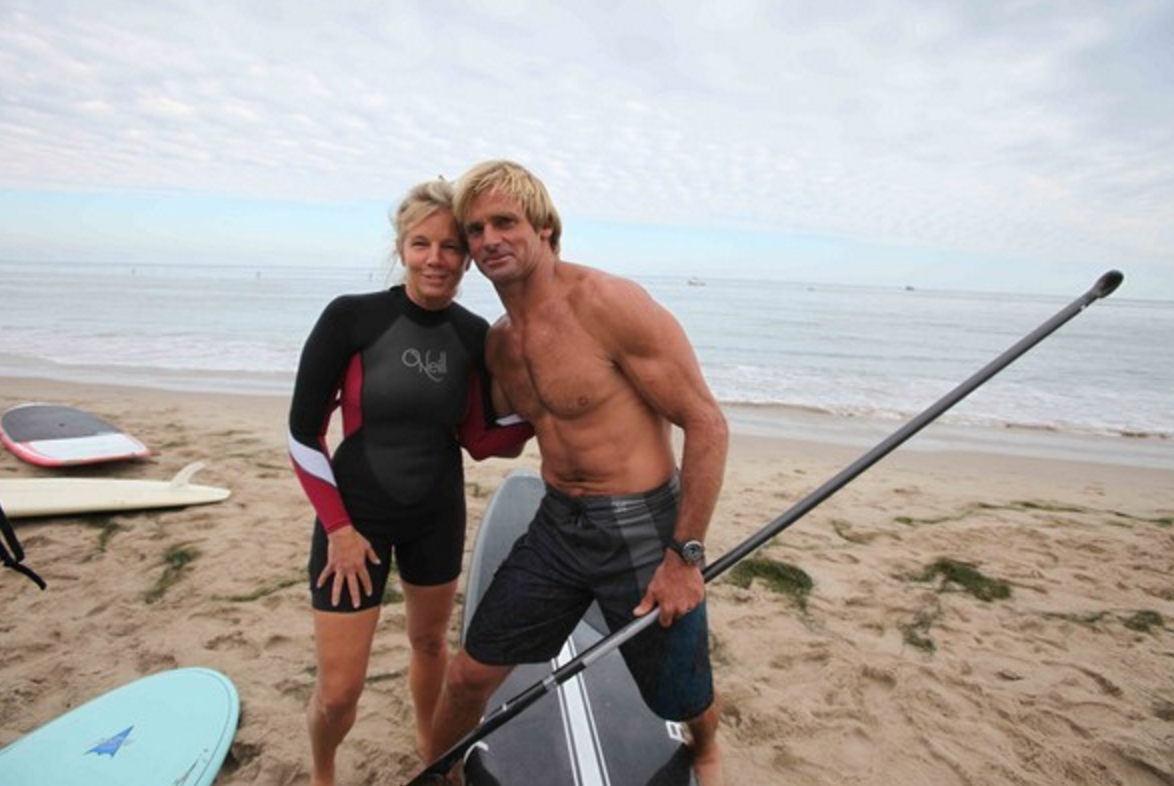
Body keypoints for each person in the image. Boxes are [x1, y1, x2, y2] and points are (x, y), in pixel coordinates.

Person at [429, 161, 729, 785]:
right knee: (465, 678)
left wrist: (685, 557)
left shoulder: (608, 304)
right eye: (477, 228)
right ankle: (443, 774)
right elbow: (496, 439)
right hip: (557, 526)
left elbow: (706, 423)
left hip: (642, 530)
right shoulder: (500, 343)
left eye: (505, 222)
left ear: (544, 228)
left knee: (683, 696)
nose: (489, 239)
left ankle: (706, 750)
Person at [288, 178, 532, 786]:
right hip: (356, 522)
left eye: (451, 246)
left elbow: (477, 440)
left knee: (430, 648)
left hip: (435, 514)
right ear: (402, 249)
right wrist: (339, 529)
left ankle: (436, 758)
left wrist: (541, 416)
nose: (436, 259)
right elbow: (303, 433)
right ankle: (323, 770)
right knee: (340, 691)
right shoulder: (352, 318)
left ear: (467, 258)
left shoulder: (474, 334)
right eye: (422, 244)